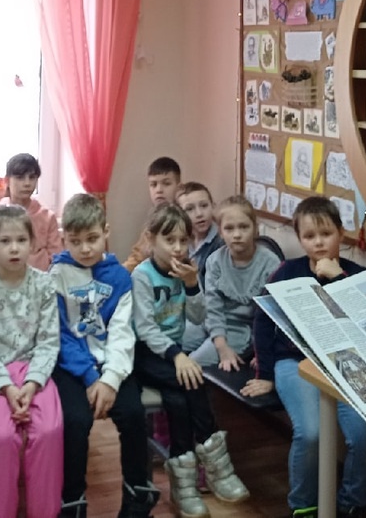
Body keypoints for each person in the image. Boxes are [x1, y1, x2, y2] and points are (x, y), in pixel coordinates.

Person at [243, 196, 366, 518]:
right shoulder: (287, 272)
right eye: (310, 236)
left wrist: (338, 279)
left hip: (346, 364)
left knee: (364, 435)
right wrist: (265, 374)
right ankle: (303, 505)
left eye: (326, 234)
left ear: (341, 233)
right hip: (295, 363)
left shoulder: (356, 274)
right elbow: (263, 319)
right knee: (311, 433)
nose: (318, 243)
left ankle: (351, 502)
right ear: (300, 239)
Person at [131, 203, 250, 518]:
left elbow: (198, 317)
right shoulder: (142, 275)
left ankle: (183, 490)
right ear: (151, 239)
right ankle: (218, 468)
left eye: (183, 240)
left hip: (172, 352)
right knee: (193, 378)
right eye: (169, 240)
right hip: (144, 354)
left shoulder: (185, 271)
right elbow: (145, 329)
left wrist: (192, 285)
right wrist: (179, 356)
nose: (177, 248)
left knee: (178, 401)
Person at [49, 193, 157, 518]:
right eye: (75, 241)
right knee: (75, 421)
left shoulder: (120, 278)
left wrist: (109, 379)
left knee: (134, 415)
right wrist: (89, 376)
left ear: (106, 232)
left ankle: (137, 497)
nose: (84, 248)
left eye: (92, 238)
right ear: (64, 238)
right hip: (72, 367)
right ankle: (73, 502)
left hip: (114, 365)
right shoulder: (56, 275)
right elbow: (61, 334)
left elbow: (122, 333)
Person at [0, 205, 64, 518]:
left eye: (21, 240)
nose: (14, 248)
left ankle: (44, 511)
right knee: (3, 436)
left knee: (49, 430)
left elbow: (49, 342)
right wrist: (7, 388)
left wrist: (32, 384)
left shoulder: (44, 285)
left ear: (32, 243)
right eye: (5, 241)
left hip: (35, 370)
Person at [191, 195, 281, 369]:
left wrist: (263, 350)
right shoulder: (215, 261)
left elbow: (272, 315)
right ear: (220, 232)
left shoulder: (270, 263)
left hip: (242, 330)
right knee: (172, 337)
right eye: (229, 228)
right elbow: (212, 309)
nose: (237, 234)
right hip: (213, 322)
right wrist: (221, 346)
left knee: (191, 364)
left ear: (255, 228)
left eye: (244, 227)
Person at [174, 182, 223, 355]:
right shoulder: (180, 241)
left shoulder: (221, 242)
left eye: (204, 205)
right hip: (181, 308)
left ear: (213, 206)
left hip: (208, 316)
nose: (199, 214)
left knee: (174, 340)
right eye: (190, 209)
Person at [0, 152, 63, 271]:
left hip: (42, 277)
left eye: (32, 177)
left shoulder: (47, 217)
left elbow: (57, 257)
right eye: (20, 178)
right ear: (7, 180)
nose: (27, 183)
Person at [123, 156, 182, 271]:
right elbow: (137, 257)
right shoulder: (153, 220)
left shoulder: (185, 218)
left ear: (178, 187)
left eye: (166, 183)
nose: (159, 190)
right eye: (153, 184)